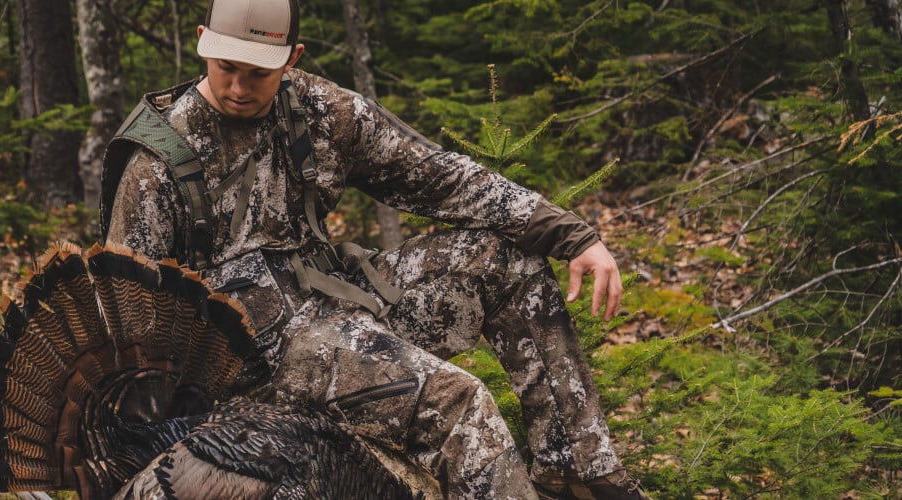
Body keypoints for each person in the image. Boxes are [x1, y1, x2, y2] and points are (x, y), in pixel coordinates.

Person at [101, 0, 648, 498]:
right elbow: (127, 322)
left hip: (333, 303)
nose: (239, 86)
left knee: (506, 263)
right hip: (250, 369)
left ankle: (576, 466)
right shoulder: (157, 163)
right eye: (226, 67)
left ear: (292, 58)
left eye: (258, 72)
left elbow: (439, 176)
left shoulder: (321, 112)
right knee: (457, 403)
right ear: (202, 43)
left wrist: (573, 235)